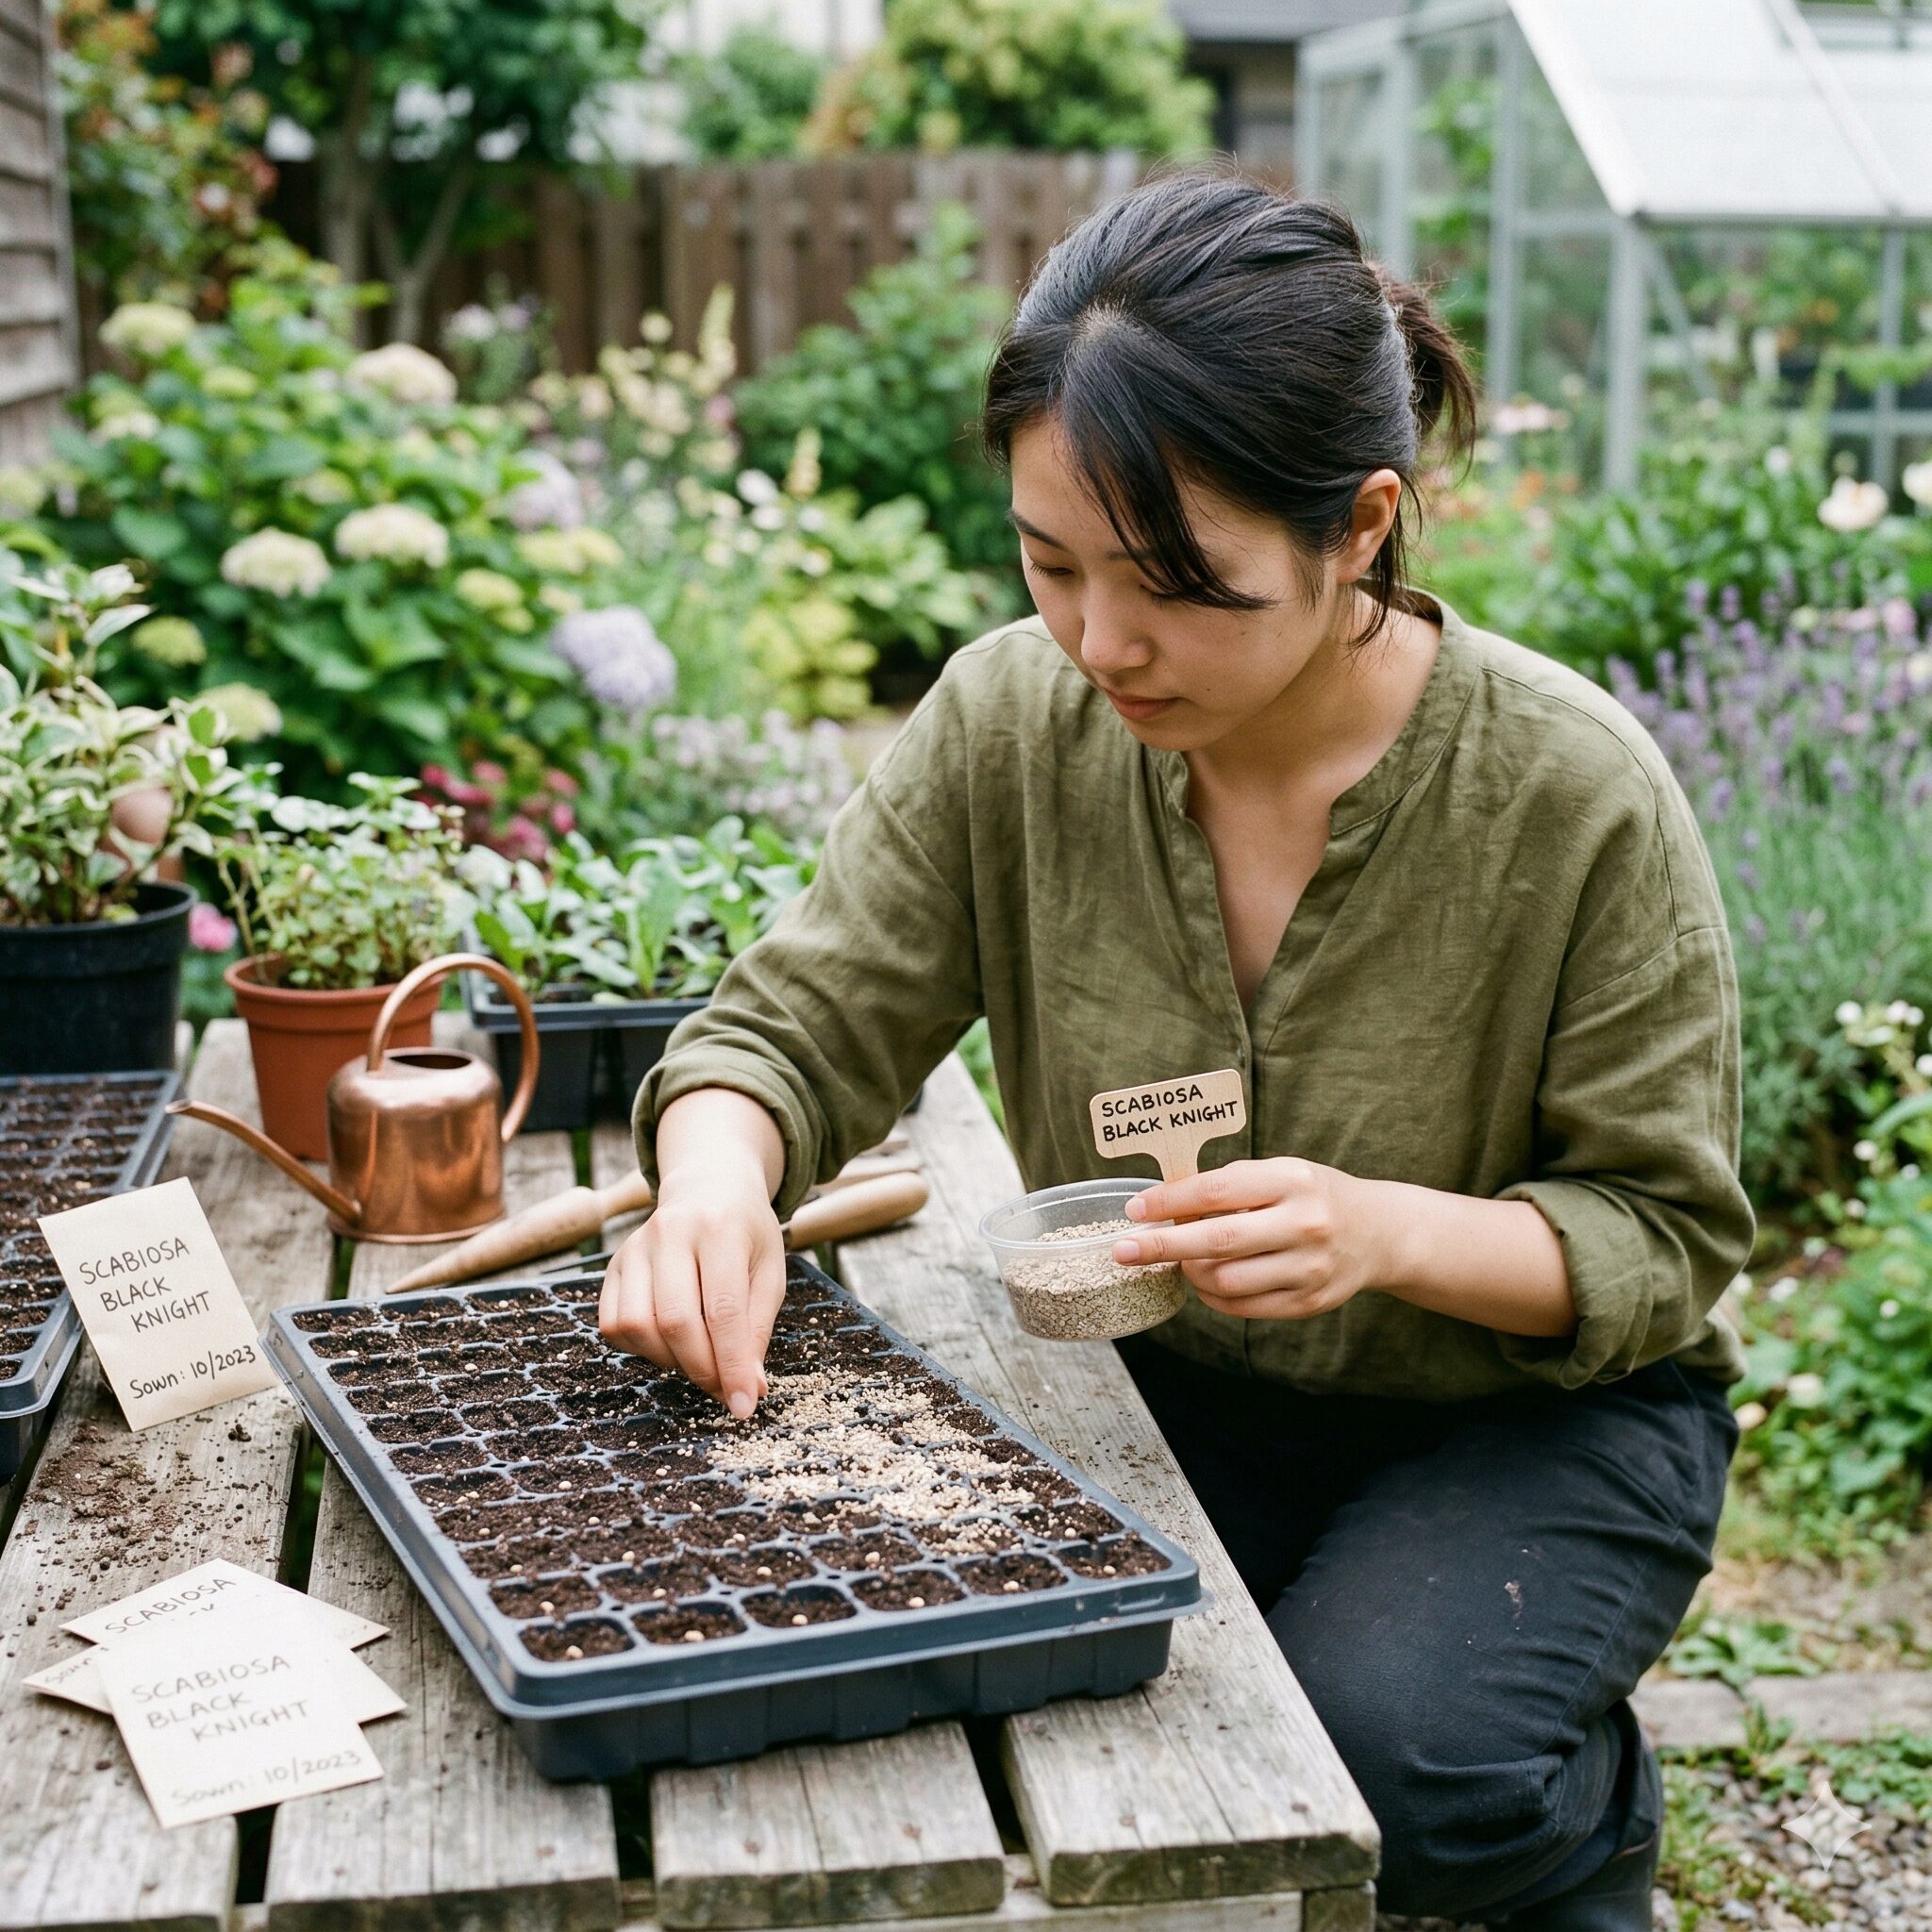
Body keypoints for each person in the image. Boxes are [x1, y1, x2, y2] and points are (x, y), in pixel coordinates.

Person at [600, 170, 1751, 1929]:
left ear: (1360, 527)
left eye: (1176, 584)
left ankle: (1578, 1830)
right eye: (1048, 562)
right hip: (1178, 1385)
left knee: (1399, 1756)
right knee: (921, 1647)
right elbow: (799, 1019)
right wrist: (711, 1184)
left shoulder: (1574, 796)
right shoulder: (1014, 722)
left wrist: (1383, 1233)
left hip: (1530, 1416)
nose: (1100, 641)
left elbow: (1663, 1243)